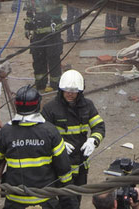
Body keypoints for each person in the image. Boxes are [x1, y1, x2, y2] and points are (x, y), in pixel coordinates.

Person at [0, 85, 73, 207]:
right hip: (45, 201)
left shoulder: (6, 131)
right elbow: (63, 168)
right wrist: (67, 196)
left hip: (15, 202)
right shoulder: (50, 131)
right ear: (38, 105)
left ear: (17, 106)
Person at [41, 70, 104, 209]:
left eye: (74, 91)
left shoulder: (87, 106)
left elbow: (99, 126)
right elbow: (41, 133)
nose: (70, 94)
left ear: (80, 91)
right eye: (67, 91)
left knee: (76, 200)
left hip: (81, 164)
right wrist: (57, 144)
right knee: (62, 201)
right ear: (61, 90)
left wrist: (93, 140)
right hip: (59, 165)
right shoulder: (50, 109)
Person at [27, 0, 64, 92]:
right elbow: (29, 12)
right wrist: (27, 27)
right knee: (38, 58)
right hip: (38, 34)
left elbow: (59, 5)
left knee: (53, 58)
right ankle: (40, 84)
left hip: (52, 33)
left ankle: (55, 84)